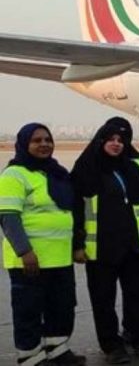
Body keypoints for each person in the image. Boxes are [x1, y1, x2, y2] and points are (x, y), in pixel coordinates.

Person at [0, 124, 86, 366]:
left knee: (62, 306)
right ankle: (30, 356)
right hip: (30, 259)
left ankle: (57, 349)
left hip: (59, 257)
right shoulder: (14, 174)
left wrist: (76, 246)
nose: (44, 144)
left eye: (48, 139)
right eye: (36, 140)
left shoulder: (56, 173)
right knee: (28, 310)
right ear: (24, 144)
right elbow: (8, 216)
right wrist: (25, 251)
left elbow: (71, 212)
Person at [72, 121, 139, 363]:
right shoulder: (86, 169)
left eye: (121, 141)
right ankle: (111, 345)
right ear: (100, 140)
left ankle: (138, 338)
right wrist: (77, 245)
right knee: (103, 300)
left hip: (134, 246)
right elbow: (76, 210)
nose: (116, 144)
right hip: (101, 248)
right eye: (111, 139)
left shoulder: (132, 169)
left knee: (137, 297)